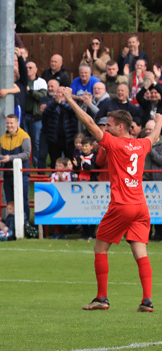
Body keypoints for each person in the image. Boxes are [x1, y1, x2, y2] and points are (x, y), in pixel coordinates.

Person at [61, 87, 162, 312]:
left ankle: (102, 298)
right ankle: (147, 301)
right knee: (140, 252)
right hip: (141, 207)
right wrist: (159, 119)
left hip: (122, 205)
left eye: (110, 124)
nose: (106, 127)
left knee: (100, 247)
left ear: (121, 126)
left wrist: (70, 99)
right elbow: (154, 135)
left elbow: (88, 123)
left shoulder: (115, 144)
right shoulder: (142, 144)